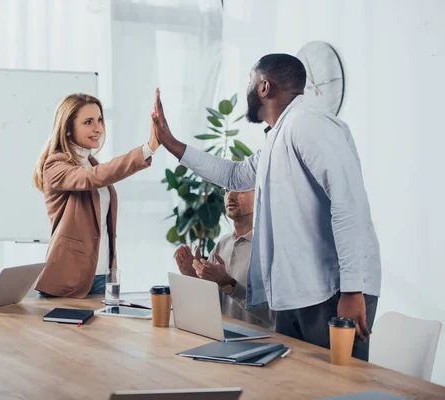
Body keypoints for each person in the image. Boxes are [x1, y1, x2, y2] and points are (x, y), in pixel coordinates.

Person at [152, 53, 381, 361]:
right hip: (297, 292)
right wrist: (170, 142)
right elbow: (233, 174)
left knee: (338, 388)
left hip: (333, 291)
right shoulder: (279, 136)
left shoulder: (308, 123)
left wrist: (352, 291)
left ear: (263, 87)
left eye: (249, 81)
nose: (247, 87)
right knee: (292, 386)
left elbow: (348, 204)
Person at [33, 93, 159, 298]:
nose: (98, 128)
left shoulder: (90, 163)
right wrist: (147, 149)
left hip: (102, 277)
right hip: (68, 279)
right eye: (88, 122)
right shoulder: (55, 165)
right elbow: (92, 178)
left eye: (99, 120)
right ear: (67, 129)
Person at [174, 188, 274, 329]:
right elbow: (212, 304)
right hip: (225, 339)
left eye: (240, 190)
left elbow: (275, 315)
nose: (230, 196)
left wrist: (229, 284)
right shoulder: (222, 244)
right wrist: (193, 276)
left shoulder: (270, 247)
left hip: (264, 345)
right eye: (226, 190)